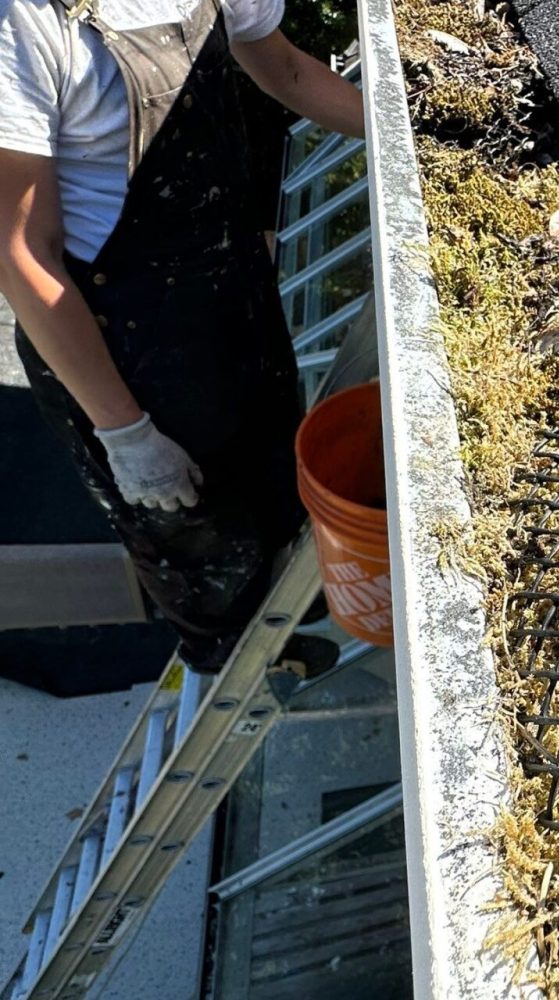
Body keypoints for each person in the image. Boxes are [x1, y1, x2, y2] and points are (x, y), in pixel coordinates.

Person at [0, 0, 364, 672]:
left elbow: (287, 72)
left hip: (228, 296)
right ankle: (241, 663)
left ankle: (293, 608)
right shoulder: (24, 22)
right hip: (120, 345)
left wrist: (410, 144)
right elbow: (23, 253)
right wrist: (123, 432)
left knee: (272, 481)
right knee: (201, 550)